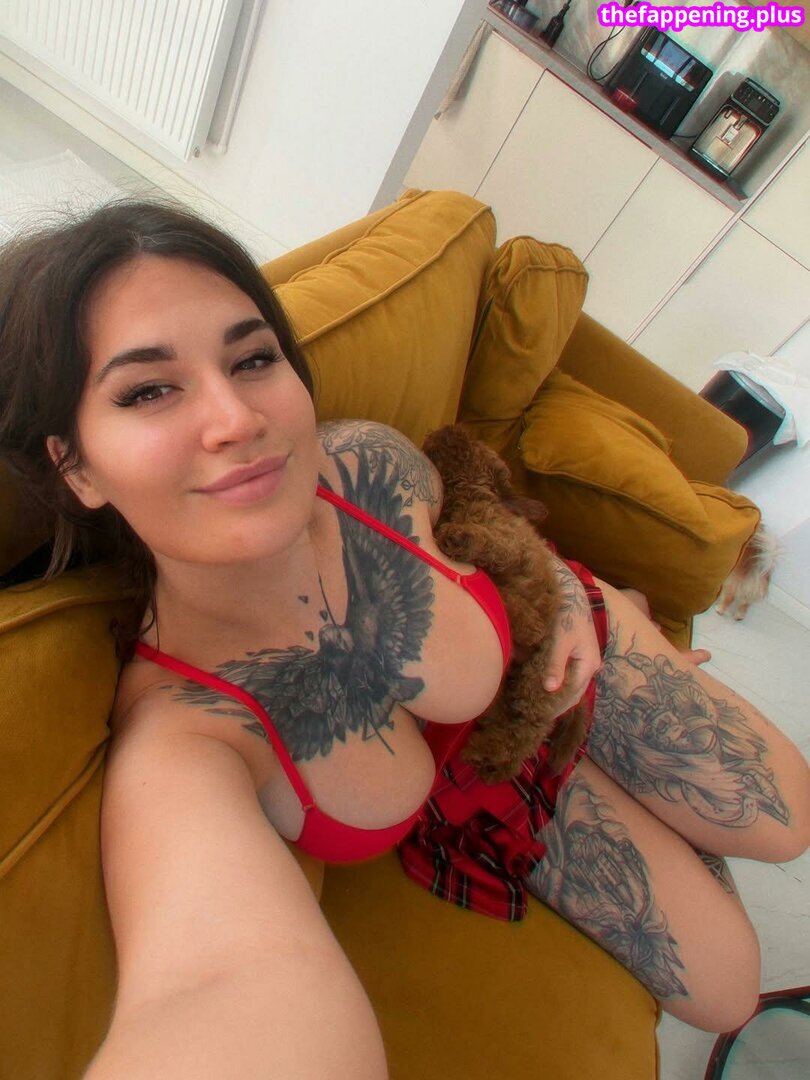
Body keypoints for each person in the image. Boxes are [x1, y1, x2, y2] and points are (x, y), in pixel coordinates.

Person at [0, 202, 807, 1075]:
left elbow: (470, 503)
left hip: (557, 646)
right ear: (76, 465)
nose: (236, 418)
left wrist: (555, 586)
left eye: (253, 358)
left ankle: (625, 614)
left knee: (788, 822)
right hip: (494, 783)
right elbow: (216, 983)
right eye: (149, 390)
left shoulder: (361, 463)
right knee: (728, 992)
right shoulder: (188, 737)